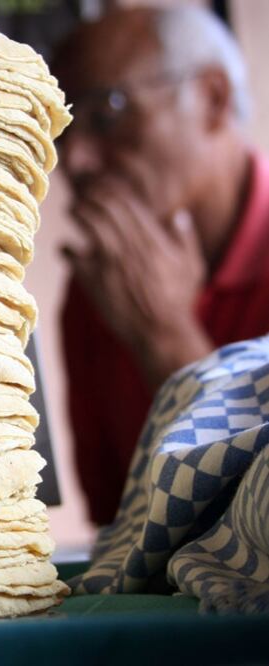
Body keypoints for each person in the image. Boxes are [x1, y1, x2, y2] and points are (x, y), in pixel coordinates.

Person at [52, 6, 269, 526]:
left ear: (212, 97)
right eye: (61, 131)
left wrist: (166, 337)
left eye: (109, 111)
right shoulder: (92, 294)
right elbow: (118, 523)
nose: (76, 160)